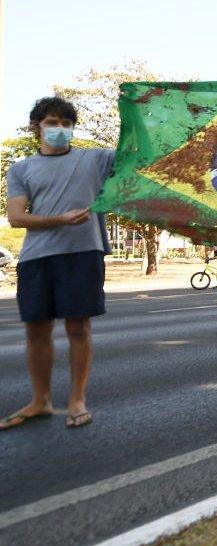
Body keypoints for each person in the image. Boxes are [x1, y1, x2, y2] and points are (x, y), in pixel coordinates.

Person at [2, 97, 116, 430]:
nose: (60, 129)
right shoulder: (21, 168)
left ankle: (77, 400)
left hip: (83, 254)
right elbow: (16, 217)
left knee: (78, 329)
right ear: (36, 126)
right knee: (36, 331)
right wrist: (60, 219)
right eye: (53, 122)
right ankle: (40, 400)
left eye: (67, 123)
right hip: (37, 257)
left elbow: (137, 154)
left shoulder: (95, 159)